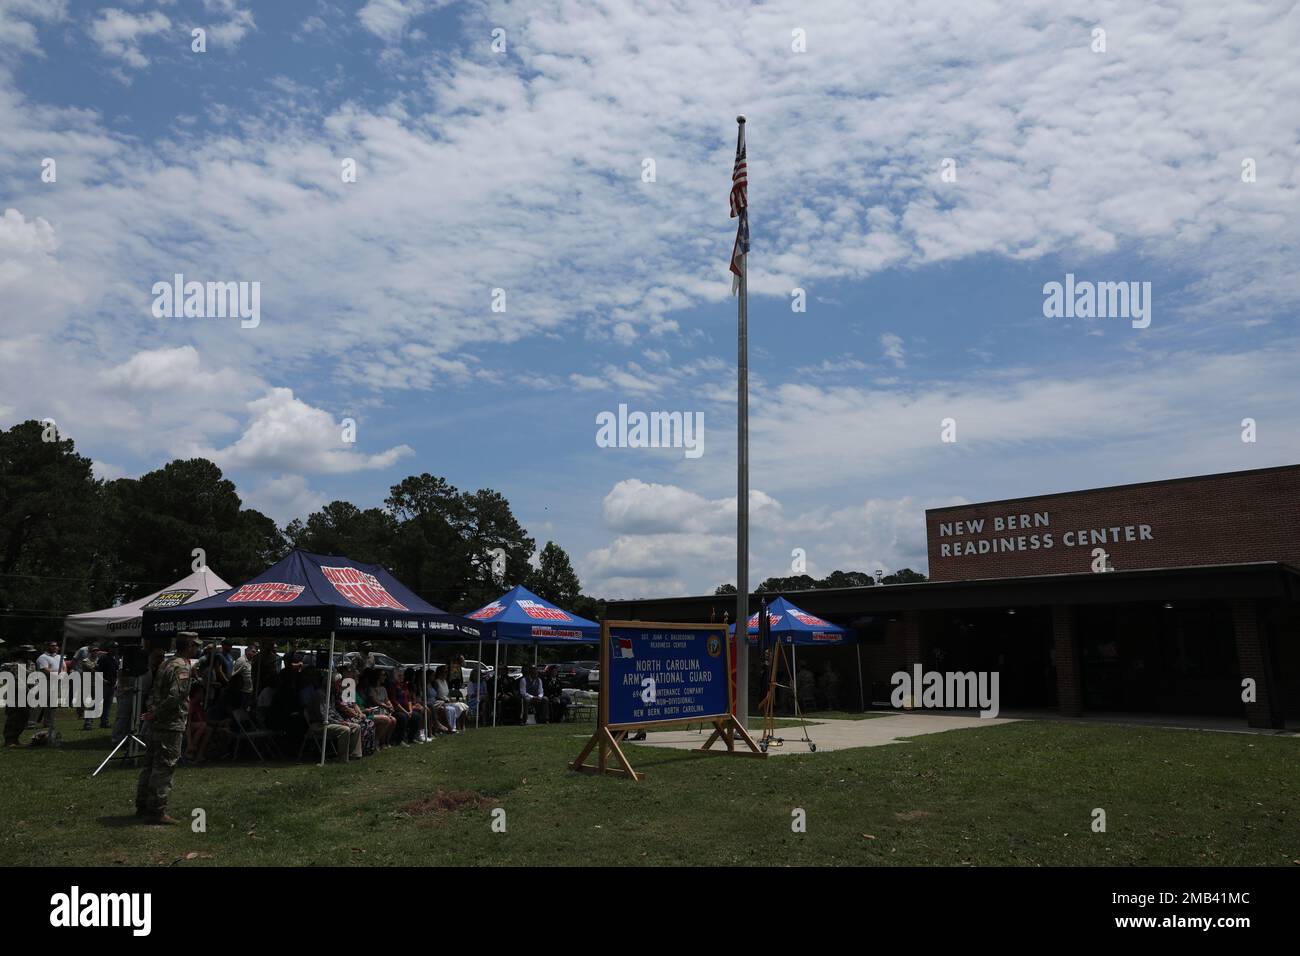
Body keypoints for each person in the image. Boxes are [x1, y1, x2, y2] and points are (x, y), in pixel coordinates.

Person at [135, 632, 197, 824]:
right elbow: (176, 696)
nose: (197, 648)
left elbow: (154, 691)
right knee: (165, 767)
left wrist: (153, 711)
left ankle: (143, 805)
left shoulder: (166, 663)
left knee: (150, 765)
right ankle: (157, 811)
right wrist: (157, 712)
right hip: (170, 724)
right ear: (187, 645)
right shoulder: (182, 666)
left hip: (158, 723)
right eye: (194, 645)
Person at [34, 640, 64, 746]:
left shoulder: (59, 657)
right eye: (52, 646)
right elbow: (45, 670)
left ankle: (48, 722)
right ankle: (31, 722)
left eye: (56, 646)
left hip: (56, 682)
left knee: (52, 704)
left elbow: (64, 668)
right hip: (45, 681)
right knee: (40, 703)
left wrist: (62, 674)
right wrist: (58, 674)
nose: (55, 647)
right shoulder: (42, 657)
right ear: (47, 647)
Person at [433, 665, 468, 733]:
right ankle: (451, 727)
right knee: (453, 708)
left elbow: (448, 693)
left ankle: (462, 725)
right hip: (441, 701)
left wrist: (450, 699)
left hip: (447, 700)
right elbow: (436, 695)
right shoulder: (436, 682)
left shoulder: (445, 681)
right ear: (440, 672)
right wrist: (444, 700)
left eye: (447, 672)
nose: (446, 674)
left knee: (463, 706)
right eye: (445, 672)